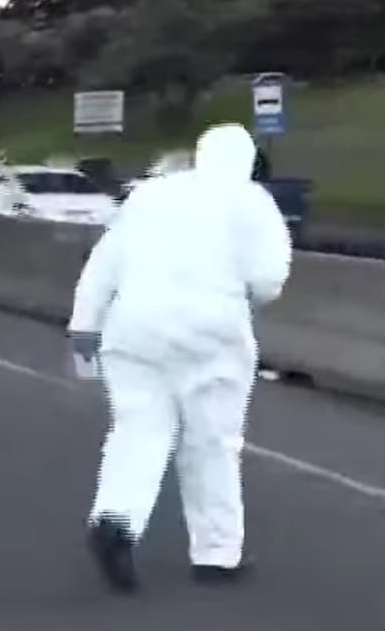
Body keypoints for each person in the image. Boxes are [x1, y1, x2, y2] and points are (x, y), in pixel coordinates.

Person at [67, 123, 292, 594]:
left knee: (137, 432)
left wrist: (84, 323)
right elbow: (269, 280)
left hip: (133, 330)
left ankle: (117, 521)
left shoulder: (151, 195)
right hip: (212, 337)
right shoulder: (253, 201)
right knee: (212, 443)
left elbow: (105, 261)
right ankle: (217, 554)